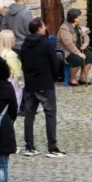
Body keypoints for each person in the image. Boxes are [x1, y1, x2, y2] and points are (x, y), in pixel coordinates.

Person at [19, 18, 63, 157]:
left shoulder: (25, 44)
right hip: (44, 83)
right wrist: (54, 77)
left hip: (30, 83)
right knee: (50, 114)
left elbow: (23, 61)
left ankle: (29, 146)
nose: (45, 28)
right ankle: (52, 147)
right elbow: (54, 62)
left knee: (29, 115)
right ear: (39, 28)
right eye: (43, 26)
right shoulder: (46, 43)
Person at [58, 9, 92, 86]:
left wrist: (85, 43)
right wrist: (78, 53)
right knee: (78, 60)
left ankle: (82, 78)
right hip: (67, 50)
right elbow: (68, 44)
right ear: (74, 18)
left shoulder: (77, 26)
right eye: (79, 16)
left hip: (78, 48)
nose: (81, 17)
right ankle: (72, 79)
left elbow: (85, 36)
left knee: (89, 57)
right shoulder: (65, 28)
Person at [0, 30, 22, 106]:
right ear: (8, 40)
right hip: (13, 85)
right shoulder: (11, 54)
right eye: (13, 38)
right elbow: (18, 73)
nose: (15, 39)